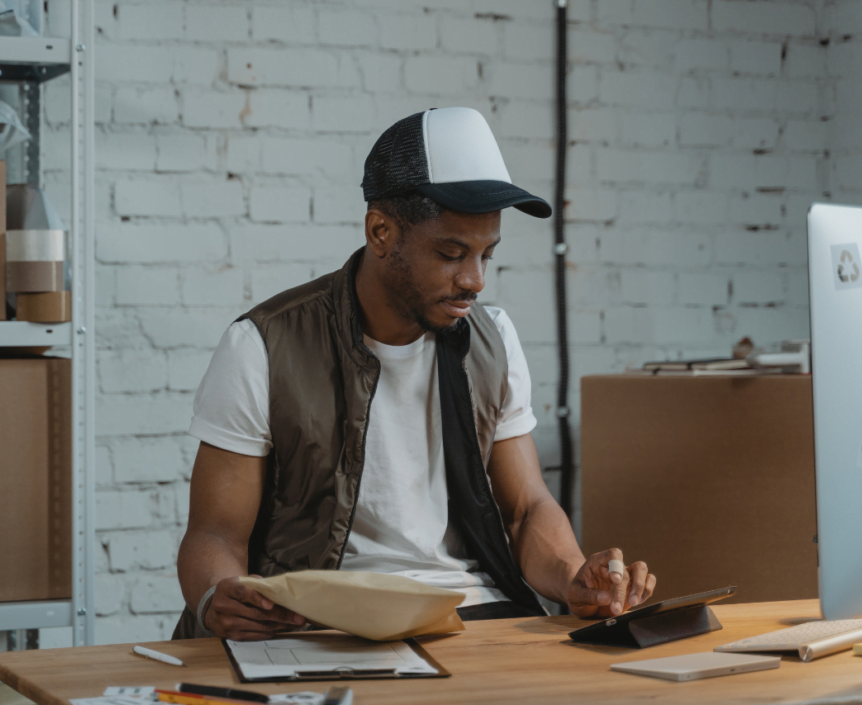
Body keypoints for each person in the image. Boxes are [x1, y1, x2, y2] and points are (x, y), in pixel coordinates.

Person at [173, 107, 655, 641]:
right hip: (318, 620)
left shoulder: (492, 341)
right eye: (451, 254)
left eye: (487, 255)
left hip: (472, 617)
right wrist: (218, 594)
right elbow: (214, 532)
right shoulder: (265, 344)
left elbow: (525, 510)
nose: (474, 281)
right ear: (381, 231)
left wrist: (572, 578)